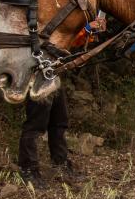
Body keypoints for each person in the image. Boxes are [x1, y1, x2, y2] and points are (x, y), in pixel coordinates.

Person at [17, 15, 106, 187]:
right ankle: (28, 169)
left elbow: (70, 43)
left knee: (59, 122)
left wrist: (89, 31)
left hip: (54, 74)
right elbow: (49, 42)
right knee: (36, 124)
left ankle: (61, 164)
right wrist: (86, 30)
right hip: (38, 75)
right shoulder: (37, 19)